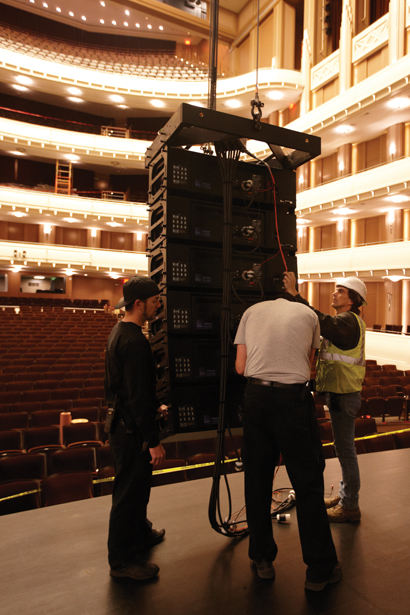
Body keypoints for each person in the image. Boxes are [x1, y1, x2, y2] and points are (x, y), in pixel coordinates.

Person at [234, 287, 341, 591]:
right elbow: (308, 364)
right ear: (292, 298)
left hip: (255, 398)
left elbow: (241, 367)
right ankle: (319, 571)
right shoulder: (308, 314)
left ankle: (262, 557)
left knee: (257, 480)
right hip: (292, 400)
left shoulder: (250, 313)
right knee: (307, 485)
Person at [284, 272, 367, 523]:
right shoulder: (347, 321)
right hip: (340, 393)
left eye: (341, 291)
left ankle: (350, 505)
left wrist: (297, 297)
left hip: (344, 394)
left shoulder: (348, 321)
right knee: (343, 449)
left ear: (352, 300)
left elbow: (322, 321)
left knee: (346, 451)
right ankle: (345, 497)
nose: (335, 293)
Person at [105, 276, 167, 581]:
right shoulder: (134, 341)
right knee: (128, 494)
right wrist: (152, 440)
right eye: (156, 301)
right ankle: (121, 561)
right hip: (130, 431)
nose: (159, 305)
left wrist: (154, 408)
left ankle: (141, 534)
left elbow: (130, 390)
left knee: (138, 487)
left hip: (124, 424)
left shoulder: (120, 332)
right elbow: (138, 397)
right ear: (139, 304)